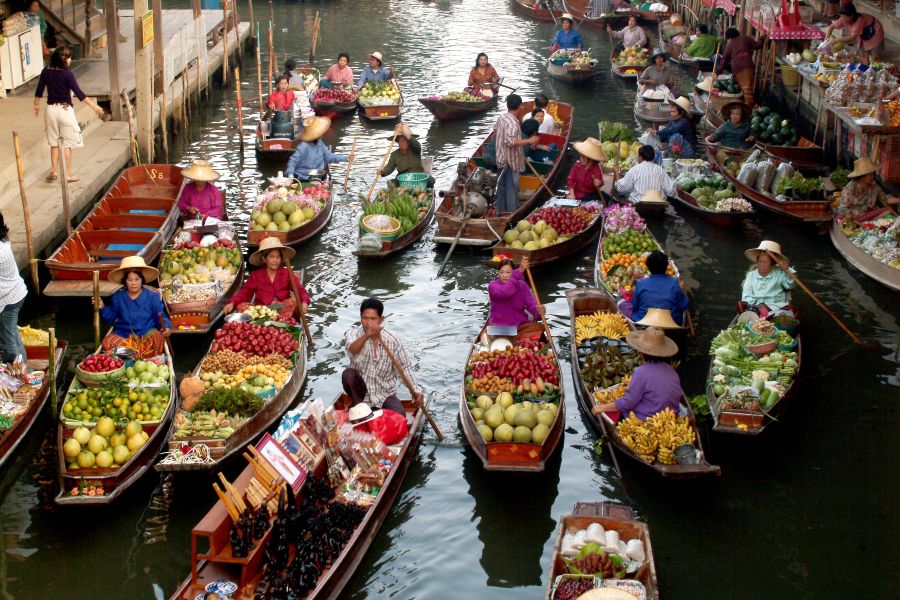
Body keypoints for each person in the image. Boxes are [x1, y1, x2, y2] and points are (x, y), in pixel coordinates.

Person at [33, 45, 104, 183]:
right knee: (67, 145)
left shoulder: (46, 71)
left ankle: (53, 171)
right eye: (69, 57)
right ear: (64, 60)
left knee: (54, 143)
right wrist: (95, 107)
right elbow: (79, 94)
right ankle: (67, 174)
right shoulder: (67, 74)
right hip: (65, 111)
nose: (70, 60)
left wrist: (36, 106)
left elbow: (39, 91)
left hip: (50, 111)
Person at [343, 297, 423, 415]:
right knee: (348, 374)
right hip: (361, 394)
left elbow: (404, 369)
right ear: (360, 318)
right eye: (365, 318)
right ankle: (358, 407)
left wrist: (415, 391)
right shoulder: (353, 334)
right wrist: (367, 335)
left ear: (381, 319)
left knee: (400, 416)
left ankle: (373, 411)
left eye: (373, 319)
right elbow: (351, 351)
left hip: (384, 394)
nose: (368, 323)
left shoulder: (392, 340)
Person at [591, 327, 680, 422]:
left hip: (648, 422)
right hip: (672, 418)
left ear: (640, 352)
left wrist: (601, 408)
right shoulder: (672, 371)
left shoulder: (641, 372)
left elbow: (628, 403)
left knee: (617, 412)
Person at [224, 237, 311, 321]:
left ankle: (281, 320)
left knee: (292, 302)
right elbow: (244, 293)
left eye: (278, 257)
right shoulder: (256, 275)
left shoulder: (287, 273)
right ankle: (266, 320)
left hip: (282, 309)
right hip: (263, 311)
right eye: (272, 257)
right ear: (264, 259)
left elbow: (300, 290)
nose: (276, 260)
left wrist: (305, 302)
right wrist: (232, 302)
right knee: (241, 306)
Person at [97, 256, 170, 353]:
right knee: (108, 342)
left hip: (145, 334)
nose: (134, 283)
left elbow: (160, 316)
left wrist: (165, 327)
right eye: (130, 280)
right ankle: (137, 354)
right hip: (124, 334)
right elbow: (111, 317)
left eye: (137, 279)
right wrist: (102, 307)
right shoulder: (118, 297)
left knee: (157, 338)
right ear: (125, 281)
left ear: (142, 280)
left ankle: (132, 354)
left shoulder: (152, 296)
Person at [493, 94, 539, 213]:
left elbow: (496, 132)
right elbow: (510, 142)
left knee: (501, 187)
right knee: (512, 188)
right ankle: (511, 212)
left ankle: (500, 210)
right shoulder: (513, 123)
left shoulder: (502, 117)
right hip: (510, 161)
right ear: (519, 106)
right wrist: (529, 140)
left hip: (500, 157)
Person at [630, 251, 689, 325]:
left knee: (624, 304)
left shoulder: (640, 284)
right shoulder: (675, 283)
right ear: (666, 266)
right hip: (672, 323)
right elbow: (683, 305)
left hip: (644, 322)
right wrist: (683, 292)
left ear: (648, 267)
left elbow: (635, 306)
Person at [285, 116, 352, 181]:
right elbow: (293, 162)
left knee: (325, 177)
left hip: (316, 177)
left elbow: (328, 156)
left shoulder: (320, 143)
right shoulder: (304, 146)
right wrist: (291, 176)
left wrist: (346, 158)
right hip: (303, 177)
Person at [740, 241, 795, 317]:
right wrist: (759, 305)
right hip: (756, 305)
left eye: (765, 262)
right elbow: (746, 296)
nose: (761, 265)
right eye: (760, 261)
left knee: (790, 311)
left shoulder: (779, 273)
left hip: (776, 305)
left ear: (772, 264)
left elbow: (790, 285)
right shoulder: (751, 276)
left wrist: (786, 270)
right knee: (740, 305)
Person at [0, 213, 27, 363]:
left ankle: (18, 375)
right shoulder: (4, 241)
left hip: (8, 300)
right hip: (16, 293)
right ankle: (24, 368)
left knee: (8, 339)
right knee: (13, 335)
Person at [835, 157, 900, 219]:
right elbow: (843, 208)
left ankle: (870, 222)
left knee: (888, 212)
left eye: (873, 174)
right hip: (853, 216)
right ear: (862, 177)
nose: (873, 177)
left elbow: (885, 199)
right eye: (870, 175)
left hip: (868, 214)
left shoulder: (874, 186)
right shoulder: (851, 186)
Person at [715, 27, 764, 106]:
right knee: (748, 87)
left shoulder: (729, 44)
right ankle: (747, 105)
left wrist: (718, 72)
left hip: (737, 68)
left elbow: (724, 60)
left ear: (729, 38)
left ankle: (748, 106)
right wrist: (762, 38)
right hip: (748, 65)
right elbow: (757, 45)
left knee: (744, 87)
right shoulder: (745, 38)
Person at [488, 258, 543, 328]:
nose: (504, 275)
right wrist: (519, 271)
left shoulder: (522, 285)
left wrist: (538, 310)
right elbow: (505, 292)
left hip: (520, 324)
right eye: (501, 272)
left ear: (513, 272)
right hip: (499, 326)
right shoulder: (493, 285)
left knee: (539, 328)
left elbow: (531, 304)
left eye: (508, 272)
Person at [381, 123, 434, 188]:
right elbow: (390, 167)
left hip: (418, 177)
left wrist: (405, 133)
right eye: (400, 141)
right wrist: (382, 171)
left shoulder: (415, 149)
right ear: (397, 141)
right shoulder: (394, 154)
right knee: (391, 184)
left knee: (431, 180)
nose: (402, 143)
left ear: (409, 141)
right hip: (403, 179)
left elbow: (417, 145)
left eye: (404, 140)